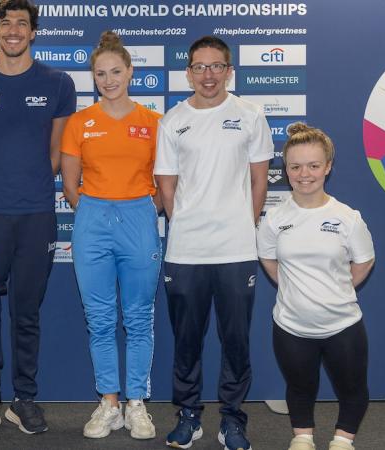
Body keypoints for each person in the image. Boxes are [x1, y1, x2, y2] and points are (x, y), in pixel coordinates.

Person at [0, 0, 77, 438]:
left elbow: (57, 152)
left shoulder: (58, 83)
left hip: (37, 215)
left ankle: (25, 399)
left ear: (34, 32)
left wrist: (28, 188)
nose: (14, 31)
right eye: (6, 24)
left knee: (27, 312)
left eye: (22, 24)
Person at [154, 35, 273, 450]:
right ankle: (188, 414)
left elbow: (260, 179)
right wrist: (187, 223)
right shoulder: (172, 120)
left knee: (235, 340)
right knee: (187, 340)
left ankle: (232, 419)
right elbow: (166, 187)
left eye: (216, 66)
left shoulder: (251, 115)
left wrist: (243, 223)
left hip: (237, 251)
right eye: (200, 67)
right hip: (185, 251)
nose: (208, 75)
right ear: (188, 72)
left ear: (229, 70)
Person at [60, 31, 161, 441]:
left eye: (115, 71)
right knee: (99, 319)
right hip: (93, 219)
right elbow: (70, 186)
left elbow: (166, 181)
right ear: (93, 78)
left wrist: (141, 211)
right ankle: (109, 402)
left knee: (138, 318)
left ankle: (137, 402)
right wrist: (97, 212)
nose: (108, 80)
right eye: (100, 74)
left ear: (130, 71)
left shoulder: (154, 122)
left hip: (140, 215)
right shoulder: (79, 122)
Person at [257, 123, 375, 450]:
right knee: (299, 387)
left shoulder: (347, 218)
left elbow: (364, 261)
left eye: (313, 165)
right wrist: (296, 289)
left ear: (327, 167)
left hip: (343, 325)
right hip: (291, 325)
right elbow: (268, 259)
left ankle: (342, 439)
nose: (304, 174)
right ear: (286, 170)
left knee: (352, 389)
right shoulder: (275, 219)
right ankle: (303, 437)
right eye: (295, 166)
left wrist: (336, 291)